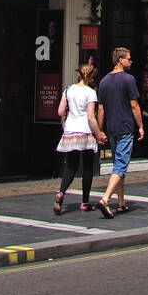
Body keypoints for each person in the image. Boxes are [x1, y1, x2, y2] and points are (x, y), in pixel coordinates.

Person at [97, 47, 144, 219]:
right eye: (128, 59)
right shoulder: (128, 79)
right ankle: (105, 199)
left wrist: (100, 130)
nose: (131, 62)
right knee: (121, 164)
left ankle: (121, 203)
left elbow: (100, 109)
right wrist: (140, 126)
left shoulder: (103, 82)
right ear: (120, 60)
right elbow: (134, 105)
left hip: (111, 128)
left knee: (119, 165)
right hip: (125, 127)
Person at [54, 64, 107, 214]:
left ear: (78, 75)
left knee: (70, 166)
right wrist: (98, 134)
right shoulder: (90, 93)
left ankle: (61, 192)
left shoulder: (68, 90)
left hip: (70, 131)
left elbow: (60, 111)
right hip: (85, 132)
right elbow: (91, 117)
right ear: (91, 77)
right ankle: (85, 203)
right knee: (88, 167)